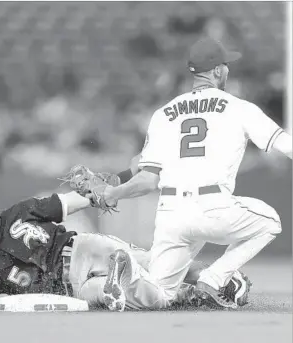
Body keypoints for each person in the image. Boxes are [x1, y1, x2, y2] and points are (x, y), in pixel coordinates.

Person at [92, 37, 292, 309]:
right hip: (212, 207)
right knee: (270, 222)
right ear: (218, 71)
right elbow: (285, 145)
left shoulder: (163, 114)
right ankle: (214, 277)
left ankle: (126, 266)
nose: (228, 69)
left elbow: (147, 180)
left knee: (158, 296)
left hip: (170, 213)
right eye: (226, 64)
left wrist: (114, 192)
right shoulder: (238, 107)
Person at [0, 185, 240, 312]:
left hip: (81, 249)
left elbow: (67, 202)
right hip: (74, 290)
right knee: (117, 295)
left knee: (156, 263)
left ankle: (219, 278)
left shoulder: (21, 211)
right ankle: (180, 290)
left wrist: (98, 192)